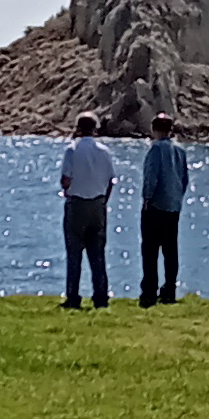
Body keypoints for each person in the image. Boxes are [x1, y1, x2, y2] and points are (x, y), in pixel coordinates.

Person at [60, 112, 117, 310]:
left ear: (78, 128)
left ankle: (73, 297)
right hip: (98, 205)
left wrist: (67, 190)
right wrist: (103, 201)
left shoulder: (72, 150)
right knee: (98, 254)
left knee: (74, 254)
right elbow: (111, 181)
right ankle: (101, 297)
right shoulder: (105, 151)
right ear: (95, 128)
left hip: (76, 204)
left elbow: (66, 180)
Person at [139, 112, 190, 307]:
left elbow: (151, 176)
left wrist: (147, 198)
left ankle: (149, 291)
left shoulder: (156, 150)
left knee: (150, 250)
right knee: (171, 250)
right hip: (173, 206)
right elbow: (184, 179)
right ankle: (170, 290)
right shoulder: (180, 150)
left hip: (156, 206)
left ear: (155, 129)